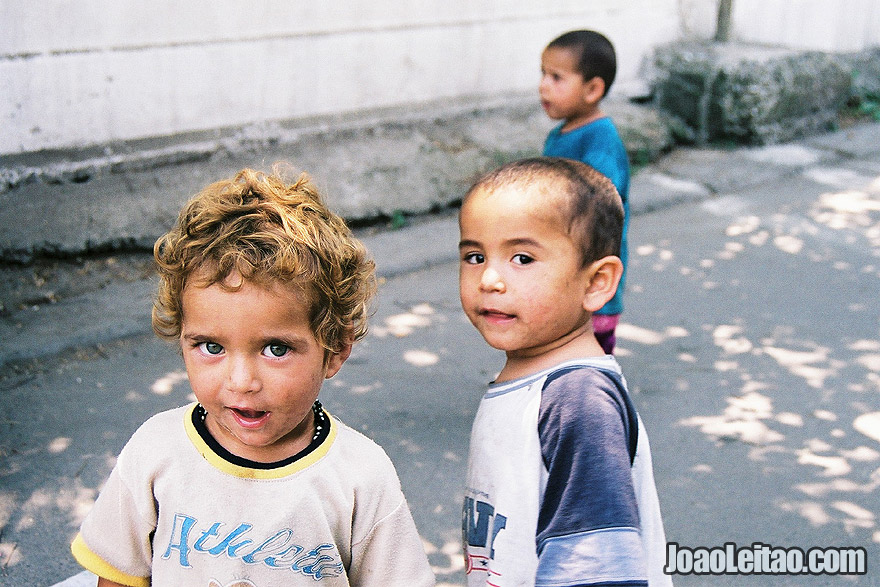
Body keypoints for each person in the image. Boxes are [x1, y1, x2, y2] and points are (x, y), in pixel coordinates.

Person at [71, 168, 436, 587]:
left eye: (275, 349)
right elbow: (118, 575)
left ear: (334, 350)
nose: (241, 381)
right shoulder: (157, 451)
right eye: (211, 347)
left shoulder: (360, 477)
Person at [458, 158, 670, 586]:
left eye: (522, 258)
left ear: (596, 283)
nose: (490, 278)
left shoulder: (578, 401)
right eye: (475, 256)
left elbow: (596, 566)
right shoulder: (536, 386)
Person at [540, 29, 630, 354]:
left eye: (556, 77)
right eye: (543, 74)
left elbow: (600, 202)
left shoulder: (600, 140)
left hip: (588, 269)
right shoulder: (560, 134)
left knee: (588, 359)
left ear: (593, 89)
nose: (543, 85)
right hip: (560, 263)